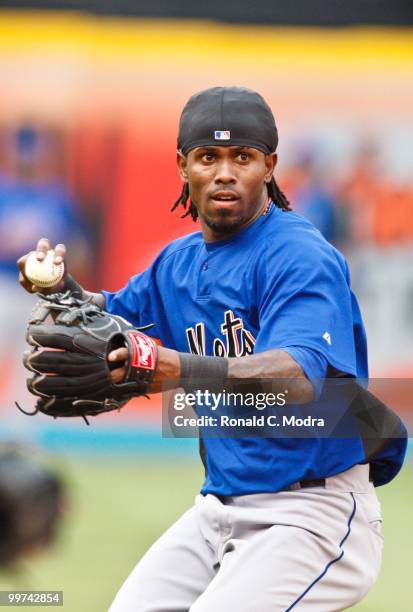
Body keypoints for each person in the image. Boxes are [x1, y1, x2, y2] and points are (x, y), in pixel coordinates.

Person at [17, 87, 406, 611]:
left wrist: (171, 366)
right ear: (183, 167)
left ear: (269, 166)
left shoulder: (299, 255)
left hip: (311, 513)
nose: (225, 172)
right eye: (208, 156)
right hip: (217, 509)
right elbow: (104, 317)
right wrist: (61, 289)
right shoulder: (176, 263)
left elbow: (296, 376)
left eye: (242, 156)